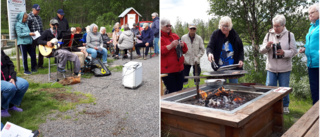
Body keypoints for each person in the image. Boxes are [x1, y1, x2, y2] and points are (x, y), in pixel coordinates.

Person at [260, 15, 297, 113]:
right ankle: (270, 106)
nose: (275, 28)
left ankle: (285, 106)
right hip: (271, 67)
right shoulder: (268, 35)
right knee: (269, 88)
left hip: (284, 68)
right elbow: (261, 50)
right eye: (274, 26)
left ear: (283, 25)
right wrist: (267, 46)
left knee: (284, 88)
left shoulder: (290, 35)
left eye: (277, 26)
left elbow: (294, 51)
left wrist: (284, 53)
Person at [207, 16, 244, 83]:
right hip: (220, 68)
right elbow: (210, 47)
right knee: (221, 89)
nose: (224, 28)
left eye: (226, 26)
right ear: (220, 26)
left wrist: (241, 59)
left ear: (230, 27)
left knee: (233, 88)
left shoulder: (234, 35)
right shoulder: (216, 34)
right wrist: (209, 53)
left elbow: (241, 48)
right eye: (222, 25)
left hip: (233, 68)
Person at [299, 3, 319, 105]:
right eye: (308, 13)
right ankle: (315, 113)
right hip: (311, 63)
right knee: (314, 89)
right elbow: (311, 43)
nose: (309, 15)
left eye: (312, 13)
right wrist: (305, 48)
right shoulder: (311, 28)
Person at [161, 18, 188, 94]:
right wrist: (171, 45)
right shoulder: (160, 38)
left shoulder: (175, 36)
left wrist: (183, 45)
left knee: (179, 90)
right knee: (173, 91)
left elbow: (185, 51)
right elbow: (161, 51)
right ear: (161, 27)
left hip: (180, 69)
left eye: (170, 25)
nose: (169, 27)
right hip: (168, 71)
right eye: (167, 26)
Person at [1, 50, 29, 117]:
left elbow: (10, 64)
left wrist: (12, 77)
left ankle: (11, 105)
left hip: (8, 77)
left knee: (24, 84)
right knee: (10, 87)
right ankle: (2, 108)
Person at [27, 4, 44, 69]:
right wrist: (31, 34)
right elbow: (28, 27)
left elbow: (41, 27)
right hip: (33, 37)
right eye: (37, 10)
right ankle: (34, 65)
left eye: (38, 10)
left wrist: (43, 34)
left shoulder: (39, 17)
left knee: (41, 50)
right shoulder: (29, 17)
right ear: (33, 9)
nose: (38, 11)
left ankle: (40, 64)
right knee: (33, 51)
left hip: (40, 36)